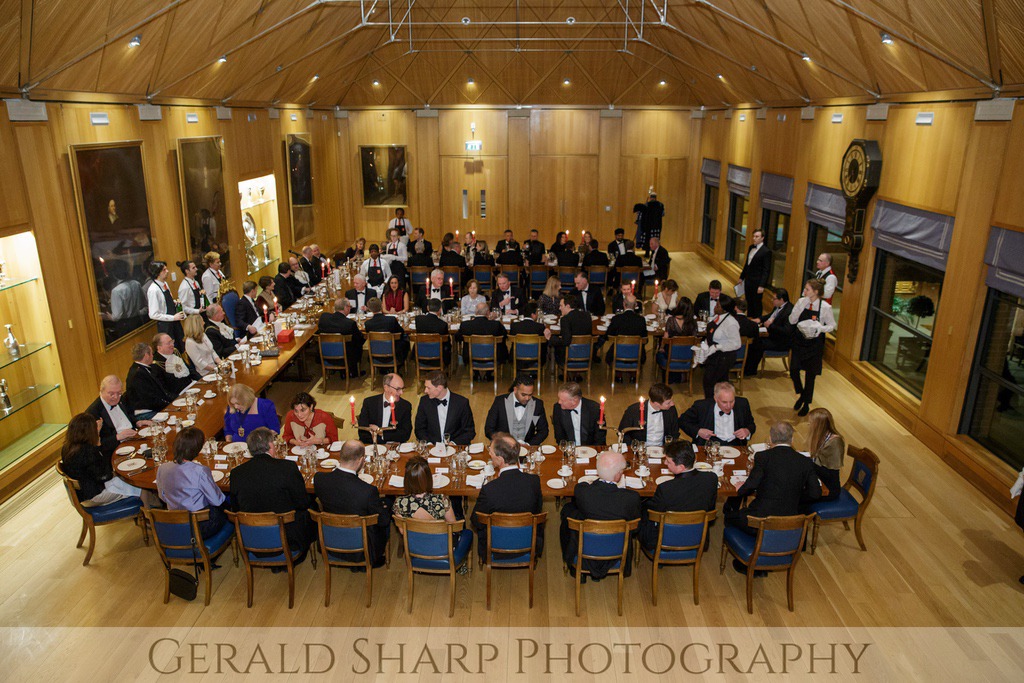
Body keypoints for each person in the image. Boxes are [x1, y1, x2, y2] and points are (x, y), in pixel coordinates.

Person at [723, 421, 821, 575]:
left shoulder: (763, 457)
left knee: (729, 517)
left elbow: (751, 485)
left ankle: (753, 562)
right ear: (792, 440)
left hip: (760, 520)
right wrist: (792, 495)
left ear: (770, 438)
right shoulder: (805, 462)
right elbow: (816, 493)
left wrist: (740, 488)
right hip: (790, 523)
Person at [229, 427, 312, 565]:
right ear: (270, 446)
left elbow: (236, 508)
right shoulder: (287, 467)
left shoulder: (236, 473)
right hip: (287, 538)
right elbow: (302, 503)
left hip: (252, 537)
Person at [559, 450, 641, 579]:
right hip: (617, 552)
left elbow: (581, 486)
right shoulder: (631, 498)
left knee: (568, 511)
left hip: (585, 551)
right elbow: (636, 527)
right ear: (618, 476)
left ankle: (575, 568)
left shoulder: (583, 493)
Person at [314, 440, 392, 568]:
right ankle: (373, 558)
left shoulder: (319, 479)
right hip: (362, 549)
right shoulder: (368, 491)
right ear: (361, 460)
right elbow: (383, 521)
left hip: (330, 542)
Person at [471, 432, 544, 561]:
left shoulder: (489, 490)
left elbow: (476, 520)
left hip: (494, 547)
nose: (489, 454)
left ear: (500, 459)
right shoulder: (534, 482)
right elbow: (537, 511)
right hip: (528, 544)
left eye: (491, 452)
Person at [639, 439, 718, 550]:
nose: (665, 463)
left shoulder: (665, 489)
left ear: (681, 467)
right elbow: (710, 507)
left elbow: (654, 514)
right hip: (698, 535)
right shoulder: (711, 478)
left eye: (668, 461)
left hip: (666, 538)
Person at [155, 426, 228, 539]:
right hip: (200, 524)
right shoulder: (200, 471)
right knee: (228, 505)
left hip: (176, 522)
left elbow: (162, 496)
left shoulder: (162, 468)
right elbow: (217, 501)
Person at [61, 413, 143, 506]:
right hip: (94, 495)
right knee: (140, 486)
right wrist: (98, 447)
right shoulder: (88, 451)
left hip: (82, 492)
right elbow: (105, 475)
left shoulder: (67, 447)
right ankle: (153, 512)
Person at [789, 279, 837, 416]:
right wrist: (798, 309)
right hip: (799, 341)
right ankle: (802, 394)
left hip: (815, 344)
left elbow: (832, 325)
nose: (804, 292)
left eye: (807, 289)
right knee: (793, 370)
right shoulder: (801, 302)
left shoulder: (825, 307)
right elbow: (792, 320)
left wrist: (820, 328)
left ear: (816, 292)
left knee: (810, 375)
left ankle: (806, 403)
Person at [85, 375, 153, 456]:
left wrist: (138, 422)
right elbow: (95, 444)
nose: (116, 397)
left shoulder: (121, 399)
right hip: (116, 451)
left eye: (119, 393)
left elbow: (127, 417)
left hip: (135, 440)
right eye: (111, 394)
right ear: (101, 391)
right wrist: (118, 437)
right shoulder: (92, 413)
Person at [681, 381, 756, 446]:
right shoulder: (701, 406)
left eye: (732, 401)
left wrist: (747, 431)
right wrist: (698, 431)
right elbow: (682, 421)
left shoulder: (742, 404)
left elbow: (751, 424)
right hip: (709, 445)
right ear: (716, 398)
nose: (729, 406)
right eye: (724, 402)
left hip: (736, 445)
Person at [484, 374, 549, 445]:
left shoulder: (538, 405)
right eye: (523, 395)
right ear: (515, 390)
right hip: (503, 447)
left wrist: (528, 445)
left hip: (527, 447)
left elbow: (543, 431)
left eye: (530, 395)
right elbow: (489, 429)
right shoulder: (499, 402)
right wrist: (503, 443)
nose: (527, 398)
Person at [414, 371, 476, 444]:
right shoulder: (424, 401)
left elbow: (469, 431)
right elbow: (419, 429)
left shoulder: (462, 403)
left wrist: (454, 443)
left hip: (455, 449)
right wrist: (429, 444)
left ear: (440, 387)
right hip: (431, 448)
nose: (425, 391)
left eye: (428, 388)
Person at [700, 294, 742, 399]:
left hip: (723, 357)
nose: (715, 306)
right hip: (714, 356)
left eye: (718, 305)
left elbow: (736, 343)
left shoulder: (731, 323)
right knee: (709, 382)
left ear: (724, 309)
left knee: (712, 383)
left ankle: (713, 404)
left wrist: (718, 347)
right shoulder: (716, 317)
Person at [744, 288, 793, 376]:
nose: (772, 300)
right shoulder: (778, 306)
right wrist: (759, 319)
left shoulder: (789, 311)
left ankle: (749, 370)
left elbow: (786, 331)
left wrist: (770, 326)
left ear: (781, 300)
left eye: (774, 299)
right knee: (753, 340)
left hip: (781, 342)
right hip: (773, 336)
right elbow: (769, 316)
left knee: (757, 344)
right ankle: (747, 367)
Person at [358, 373, 413, 444]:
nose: (401, 392)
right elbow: (363, 433)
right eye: (398, 389)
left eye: (402, 389)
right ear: (386, 388)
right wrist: (381, 441)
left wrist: (381, 433)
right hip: (372, 446)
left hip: (394, 448)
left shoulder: (405, 406)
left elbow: (405, 434)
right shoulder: (369, 403)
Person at [125, 342, 174, 419]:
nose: (153, 356)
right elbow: (149, 400)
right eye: (151, 354)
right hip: (146, 413)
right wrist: (169, 404)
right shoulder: (137, 375)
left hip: (153, 408)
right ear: (146, 356)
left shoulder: (142, 369)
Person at [806, 408, 845, 503]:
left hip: (828, 489)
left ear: (819, 425)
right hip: (819, 480)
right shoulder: (822, 436)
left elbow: (830, 474)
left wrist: (807, 464)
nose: (808, 425)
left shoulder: (835, 443)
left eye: (811, 422)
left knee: (795, 495)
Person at [317, 298, 364, 374]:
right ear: (345, 308)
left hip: (325, 354)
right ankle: (353, 371)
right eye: (349, 306)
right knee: (357, 345)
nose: (350, 308)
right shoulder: (349, 324)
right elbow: (359, 340)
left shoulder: (324, 318)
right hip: (346, 358)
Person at [147, 261, 186, 352]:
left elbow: (165, 301)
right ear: (157, 273)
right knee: (172, 349)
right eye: (164, 270)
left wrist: (173, 303)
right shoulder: (153, 290)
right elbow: (153, 314)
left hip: (175, 321)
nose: (167, 271)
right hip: (166, 325)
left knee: (181, 345)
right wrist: (173, 317)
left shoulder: (165, 284)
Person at [551, 381, 606, 446]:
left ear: (574, 401)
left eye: (562, 400)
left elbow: (600, 437)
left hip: (591, 448)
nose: (559, 402)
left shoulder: (594, 409)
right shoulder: (558, 408)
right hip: (569, 449)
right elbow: (559, 436)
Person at [456, 302, 509, 368]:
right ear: (488, 312)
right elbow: (505, 336)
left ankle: (476, 373)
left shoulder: (466, 325)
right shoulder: (496, 325)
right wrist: (491, 321)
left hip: (470, 357)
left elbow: (457, 337)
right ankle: (489, 373)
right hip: (494, 357)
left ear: (475, 312)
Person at [545, 293, 592, 367]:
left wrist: (550, 337)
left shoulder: (565, 319)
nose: (559, 308)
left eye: (561, 306)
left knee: (554, 347)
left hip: (570, 355)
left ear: (567, 306)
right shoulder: (587, 316)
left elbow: (565, 341)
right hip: (585, 353)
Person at [601, 294, 647, 365]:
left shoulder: (616, 319)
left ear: (623, 304)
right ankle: (633, 374)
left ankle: (618, 374)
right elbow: (645, 340)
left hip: (617, 353)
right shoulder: (641, 320)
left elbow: (608, 336)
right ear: (635, 305)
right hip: (637, 354)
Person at [364, 297, 409, 365]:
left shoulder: (368, 324)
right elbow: (401, 333)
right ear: (382, 306)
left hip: (375, 353)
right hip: (393, 353)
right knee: (405, 341)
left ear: (370, 309)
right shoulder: (391, 320)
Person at [739, 228, 772, 319]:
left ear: (762, 238)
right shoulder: (751, 247)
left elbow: (766, 270)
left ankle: (757, 320)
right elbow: (747, 264)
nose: (754, 238)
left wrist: (762, 285)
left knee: (756, 302)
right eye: (753, 236)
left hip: (757, 282)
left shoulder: (766, 251)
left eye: (757, 236)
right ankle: (749, 319)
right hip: (748, 280)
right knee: (748, 301)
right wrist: (741, 277)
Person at [414, 298, 452, 367]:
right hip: (438, 358)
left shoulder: (418, 320)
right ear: (440, 309)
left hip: (421, 355)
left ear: (428, 308)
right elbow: (447, 342)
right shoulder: (443, 324)